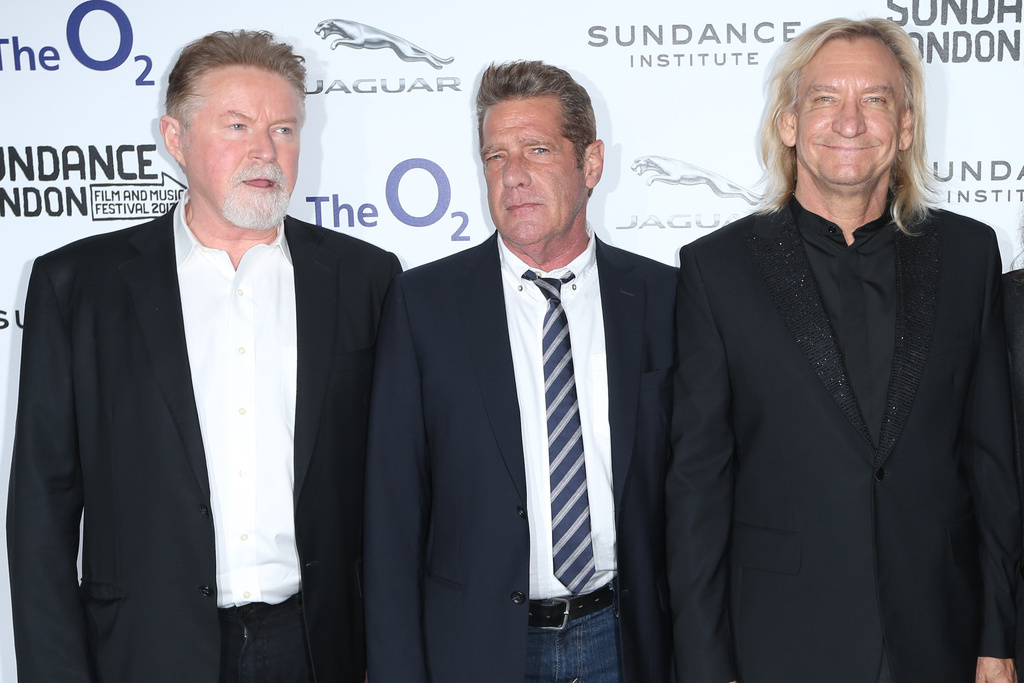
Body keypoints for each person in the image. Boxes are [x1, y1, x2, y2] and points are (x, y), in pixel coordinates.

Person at [6, 30, 400, 683]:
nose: (264, 151)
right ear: (175, 137)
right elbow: (41, 511)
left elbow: (397, 488)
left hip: (318, 647)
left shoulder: (365, 279)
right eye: (237, 125)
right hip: (144, 650)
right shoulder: (77, 286)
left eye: (283, 129)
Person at [666, 17, 1020, 683]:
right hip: (781, 643)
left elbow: (992, 464)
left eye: (876, 99)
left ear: (907, 127)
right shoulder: (718, 270)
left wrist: (997, 638)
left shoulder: (970, 256)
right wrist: (707, 667)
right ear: (790, 122)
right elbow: (697, 493)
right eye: (826, 98)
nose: (850, 121)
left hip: (938, 638)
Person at [362, 60, 675, 682]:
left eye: (536, 149)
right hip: (476, 648)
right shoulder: (423, 305)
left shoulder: (667, 299)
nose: (514, 176)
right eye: (495, 156)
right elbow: (391, 511)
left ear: (591, 164)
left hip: (628, 639)